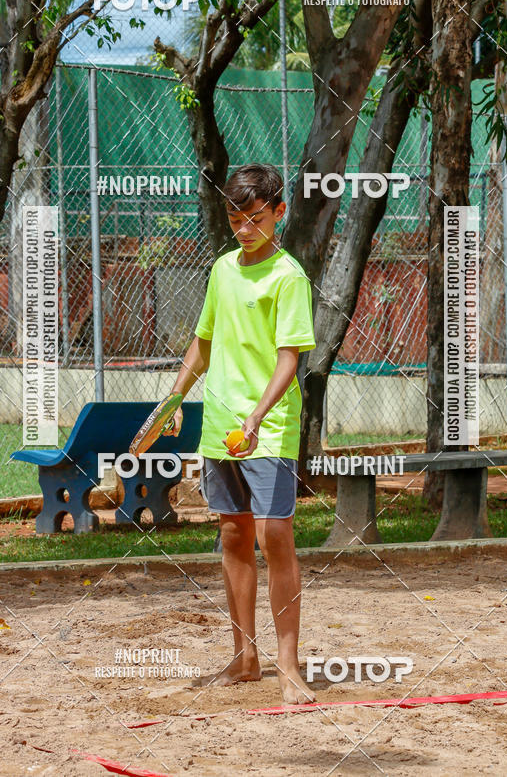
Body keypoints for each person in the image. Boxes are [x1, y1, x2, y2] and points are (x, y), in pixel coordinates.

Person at [168, 162, 316, 704]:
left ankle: (290, 668)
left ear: (279, 212)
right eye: (235, 217)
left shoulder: (289, 276)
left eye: (255, 217)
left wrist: (255, 417)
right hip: (219, 427)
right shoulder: (222, 270)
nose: (244, 227)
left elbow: (289, 360)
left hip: (269, 428)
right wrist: (175, 396)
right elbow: (203, 343)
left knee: (274, 534)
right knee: (233, 533)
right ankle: (244, 658)